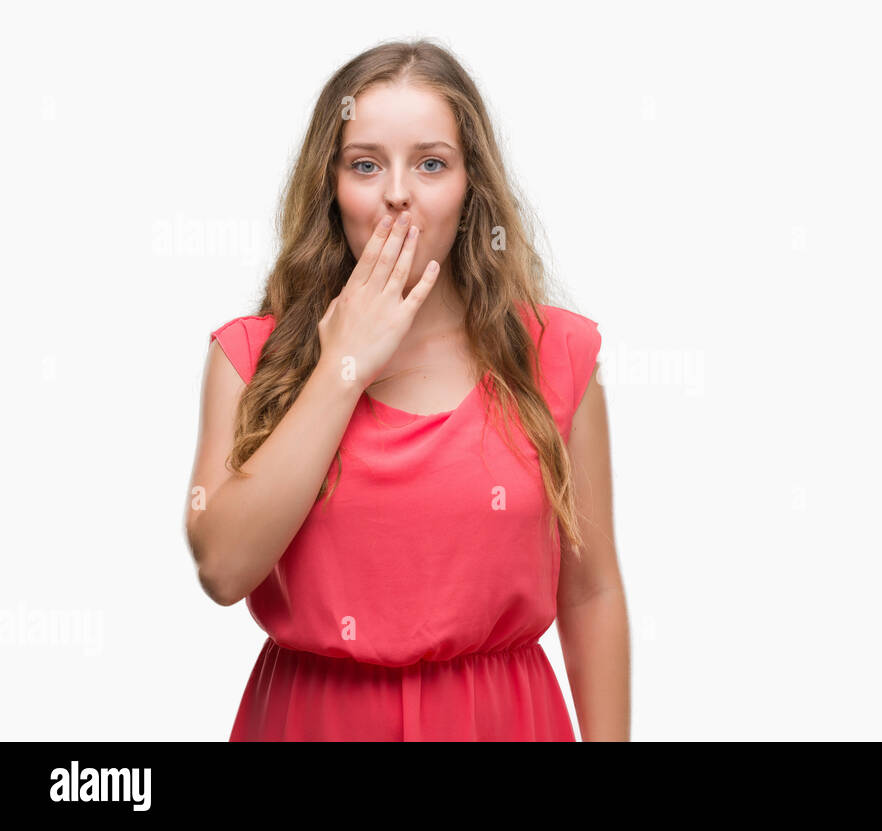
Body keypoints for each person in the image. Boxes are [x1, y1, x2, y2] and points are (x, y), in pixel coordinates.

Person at [184, 39, 629, 741]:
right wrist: (343, 364)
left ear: (469, 183)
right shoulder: (247, 355)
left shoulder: (559, 355)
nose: (398, 191)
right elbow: (223, 567)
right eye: (365, 164)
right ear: (331, 187)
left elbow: (593, 590)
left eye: (430, 163)